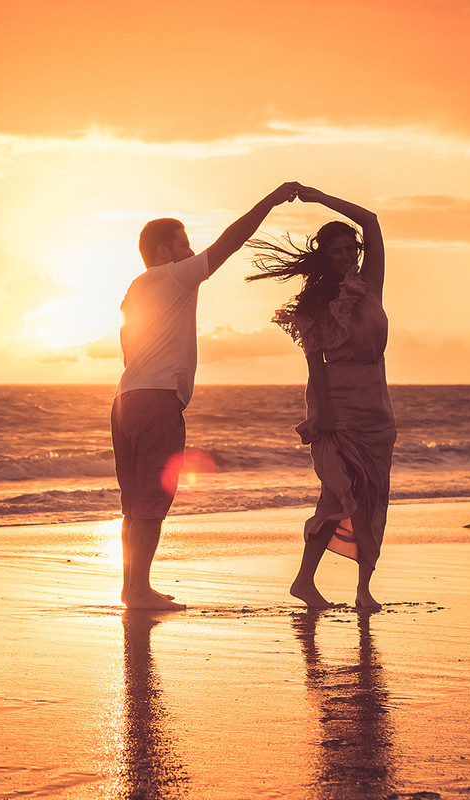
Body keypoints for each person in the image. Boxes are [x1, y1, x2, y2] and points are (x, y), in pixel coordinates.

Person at [113, 182, 299, 610]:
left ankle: (132, 587)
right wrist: (269, 200)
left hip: (126, 399)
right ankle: (138, 591)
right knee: (152, 501)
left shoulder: (135, 289)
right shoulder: (174, 277)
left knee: (134, 501)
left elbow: (126, 346)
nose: (191, 251)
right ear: (163, 252)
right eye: (183, 244)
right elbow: (230, 243)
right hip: (156, 400)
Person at [247, 186, 395, 611]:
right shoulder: (317, 303)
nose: (348, 256)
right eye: (337, 251)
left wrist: (314, 195)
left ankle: (363, 589)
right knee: (335, 496)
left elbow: (371, 218)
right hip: (338, 403)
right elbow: (314, 364)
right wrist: (324, 413)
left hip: (377, 405)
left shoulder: (370, 286)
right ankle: (304, 582)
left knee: (372, 497)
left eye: (352, 249)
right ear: (324, 257)